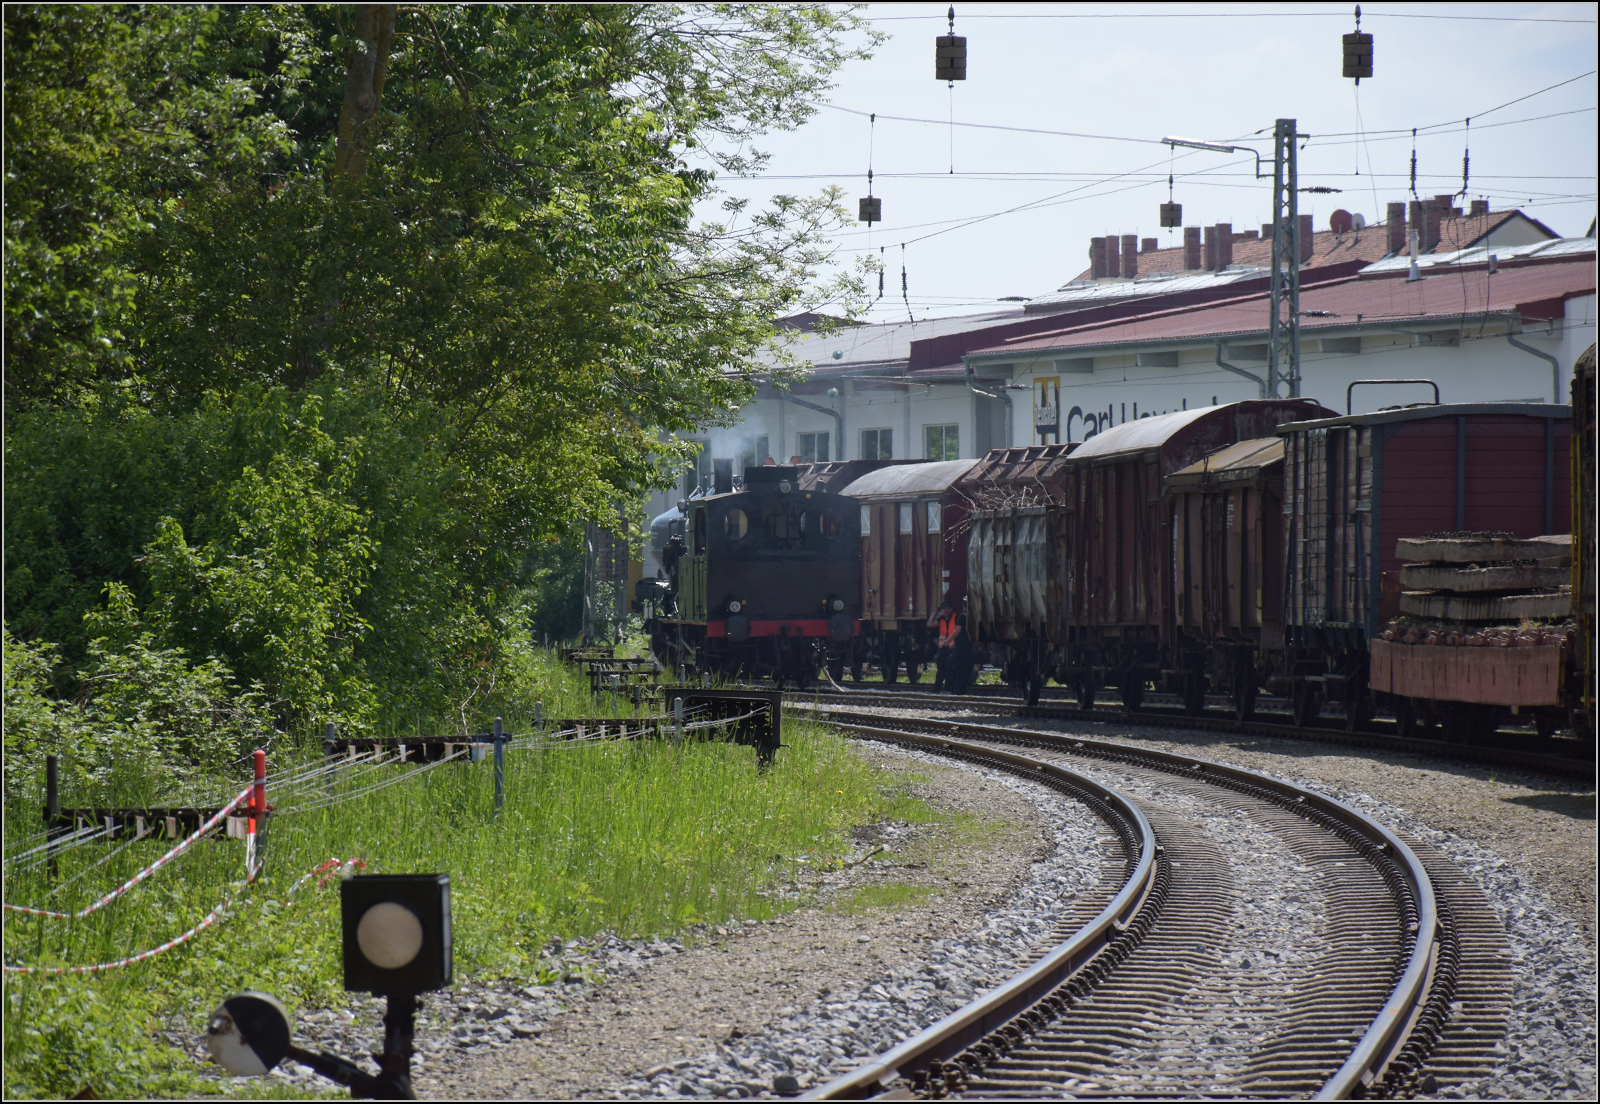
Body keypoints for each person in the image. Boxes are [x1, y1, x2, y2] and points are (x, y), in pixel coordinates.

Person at [929, 601, 957, 692]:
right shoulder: (941, 619)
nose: (946, 610)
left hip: (952, 648)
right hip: (942, 649)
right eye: (944, 608)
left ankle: (949, 689)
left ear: (951, 609)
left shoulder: (955, 618)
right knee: (941, 670)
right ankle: (936, 690)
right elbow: (929, 624)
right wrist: (935, 613)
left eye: (948, 608)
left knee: (950, 670)